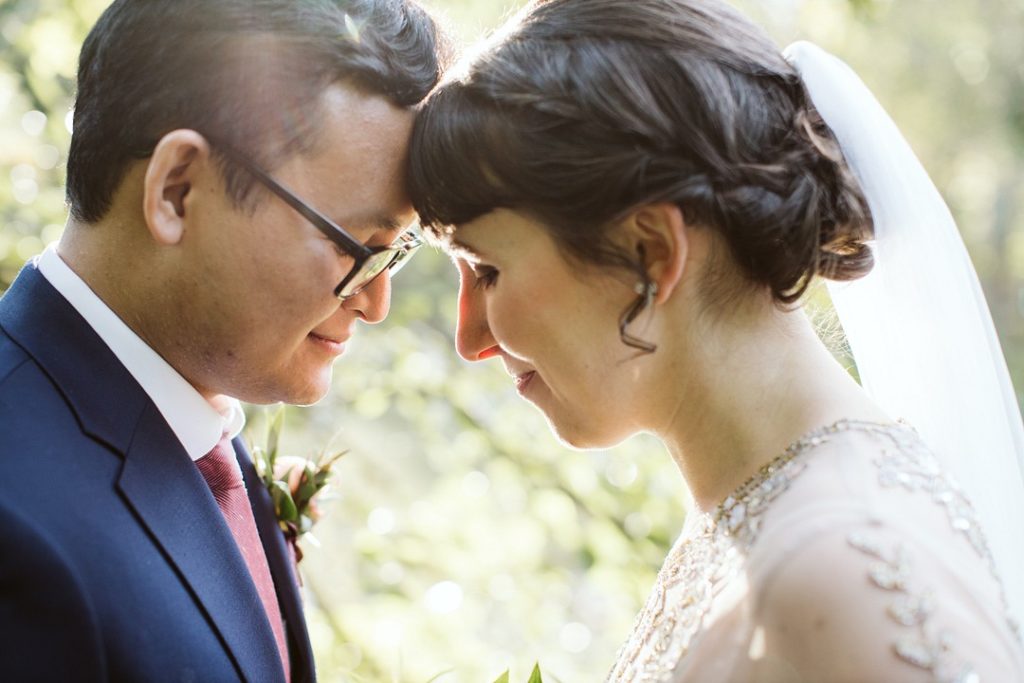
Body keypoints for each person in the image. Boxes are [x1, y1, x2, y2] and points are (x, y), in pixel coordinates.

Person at [407, 0, 1024, 680]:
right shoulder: (758, 505)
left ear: (650, 252)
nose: (470, 338)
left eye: (489, 271)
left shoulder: (843, 575)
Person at [0, 0, 447, 680]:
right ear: (178, 190)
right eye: (358, 246)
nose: (376, 300)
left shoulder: (190, 423)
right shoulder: (16, 529)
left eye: (397, 253)